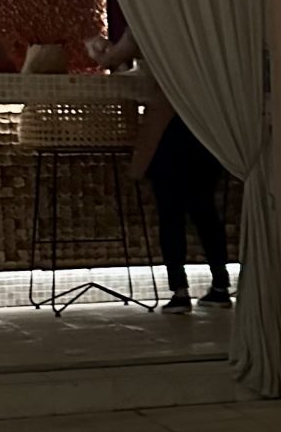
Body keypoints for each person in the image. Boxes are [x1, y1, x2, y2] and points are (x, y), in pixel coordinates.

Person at [88, 30, 231, 314]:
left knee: (170, 213)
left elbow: (112, 59)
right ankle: (220, 285)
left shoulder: (148, 20)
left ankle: (179, 291)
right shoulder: (203, 20)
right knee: (205, 210)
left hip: (167, 126)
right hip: (208, 126)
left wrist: (96, 50)